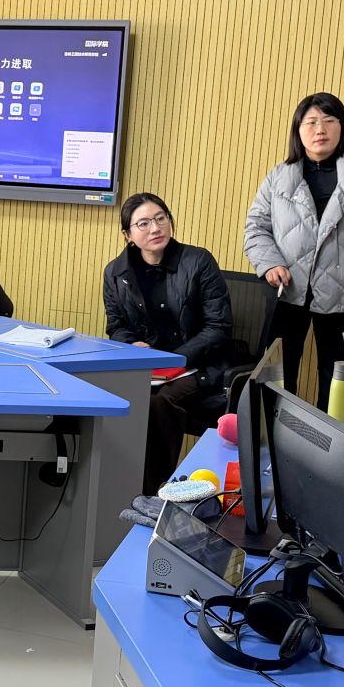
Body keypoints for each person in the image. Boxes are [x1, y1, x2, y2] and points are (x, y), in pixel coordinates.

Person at [243, 92, 344, 408]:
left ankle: (327, 440)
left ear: (342, 127)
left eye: (328, 120)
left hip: (343, 297)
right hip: (286, 293)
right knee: (278, 376)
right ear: (298, 130)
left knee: (335, 383)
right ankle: (275, 435)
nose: (320, 129)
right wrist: (270, 264)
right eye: (310, 122)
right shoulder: (278, 177)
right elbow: (256, 228)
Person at [104, 193, 234, 490]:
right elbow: (116, 326)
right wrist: (131, 345)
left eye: (161, 218)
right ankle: (116, 482)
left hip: (199, 364)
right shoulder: (116, 273)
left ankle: (154, 489)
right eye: (143, 223)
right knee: (112, 391)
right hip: (149, 367)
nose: (155, 228)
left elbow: (218, 327)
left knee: (158, 401)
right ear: (128, 234)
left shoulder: (198, 261)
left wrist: (175, 359)